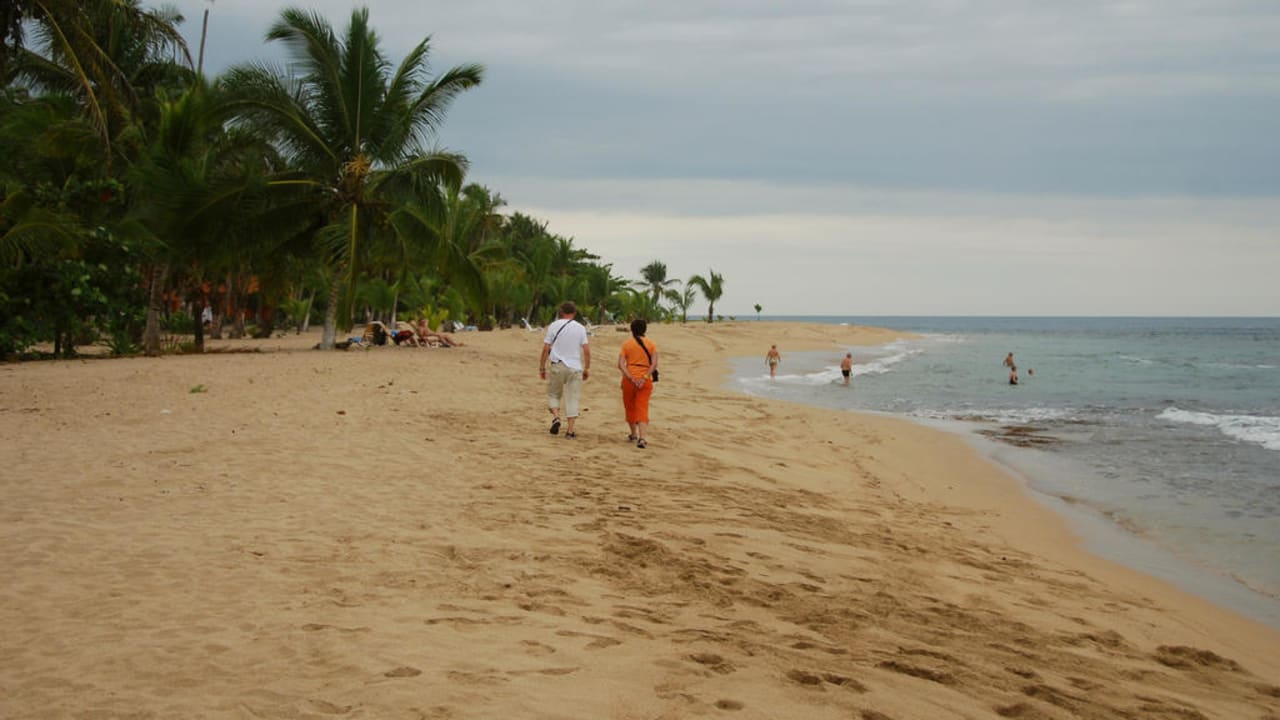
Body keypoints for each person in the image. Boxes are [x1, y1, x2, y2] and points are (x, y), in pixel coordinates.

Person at [539, 301, 591, 439]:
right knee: (572, 398)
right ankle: (570, 431)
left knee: (553, 395)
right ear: (574, 313)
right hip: (575, 367)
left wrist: (542, 367)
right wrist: (586, 368)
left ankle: (556, 417)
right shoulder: (580, 328)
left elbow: (545, 348)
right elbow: (586, 351)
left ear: (561, 312)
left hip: (557, 365)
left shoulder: (554, 326)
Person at [618, 318, 658, 449]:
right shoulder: (651, 344)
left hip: (629, 379)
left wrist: (630, 377)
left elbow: (621, 364)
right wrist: (645, 377)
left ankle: (633, 433)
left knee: (629, 406)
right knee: (642, 407)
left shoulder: (627, 344)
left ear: (632, 330)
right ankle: (642, 438)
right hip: (645, 380)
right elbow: (654, 364)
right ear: (645, 329)